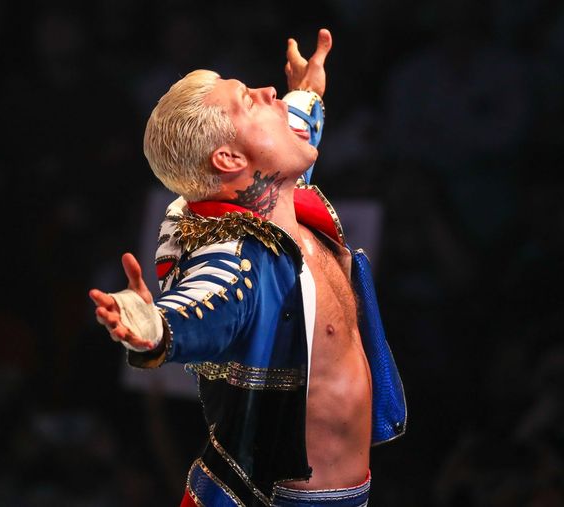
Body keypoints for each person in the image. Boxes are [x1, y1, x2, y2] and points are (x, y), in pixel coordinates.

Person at [89, 29, 406, 507]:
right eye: (248, 102)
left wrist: (307, 92)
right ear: (230, 158)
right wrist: (157, 327)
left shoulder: (276, 197)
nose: (268, 92)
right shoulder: (236, 256)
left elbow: (294, 129)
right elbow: (208, 301)